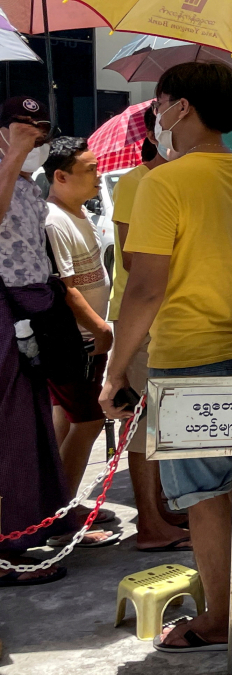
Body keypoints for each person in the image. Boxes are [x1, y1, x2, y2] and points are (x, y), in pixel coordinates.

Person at [99, 63, 232, 651]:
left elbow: (145, 286)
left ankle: (217, 618)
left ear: (180, 108)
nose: (156, 114)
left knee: (203, 495)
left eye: (160, 103)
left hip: (189, 358)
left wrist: (116, 367)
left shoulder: (162, 183)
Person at [0, 96, 78, 586]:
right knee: (10, 429)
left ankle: (42, 521)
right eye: (21, 126)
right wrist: (11, 157)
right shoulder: (8, 172)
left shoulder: (32, 185)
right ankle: (8, 544)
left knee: (34, 423)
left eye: (40, 128)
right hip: (4, 307)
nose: (34, 136)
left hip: (35, 306)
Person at [108, 107, 190, 552]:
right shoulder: (135, 182)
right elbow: (129, 258)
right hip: (140, 316)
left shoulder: (182, 180)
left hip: (174, 316)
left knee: (166, 419)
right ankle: (150, 523)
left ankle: (162, 507)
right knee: (142, 424)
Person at [41, 137, 121, 548]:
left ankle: (50, 508)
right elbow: (65, 289)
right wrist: (102, 330)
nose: (97, 176)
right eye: (89, 170)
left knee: (65, 421)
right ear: (60, 176)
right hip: (78, 343)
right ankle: (63, 521)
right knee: (88, 422)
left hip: (86, 341)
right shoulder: (53, 220)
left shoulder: (78, 213)